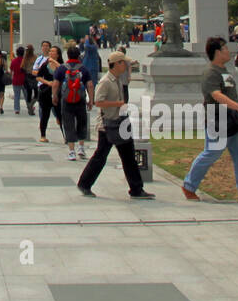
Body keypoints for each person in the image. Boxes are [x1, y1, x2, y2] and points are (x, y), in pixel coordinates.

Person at [181, 36, 238, 203]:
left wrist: (237, 110)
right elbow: (216, 95)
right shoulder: (210, 73)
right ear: (217, 52)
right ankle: (189, 185)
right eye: (225, 48)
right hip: (218, 118)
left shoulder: (224, 71)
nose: (228, 51)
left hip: (234, 120)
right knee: (212, 152)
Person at [77, 51, 154, 199]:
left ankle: (136, 189)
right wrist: (118, 104)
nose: (126, 65)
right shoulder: (106, 81)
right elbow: (98, 102)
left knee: (128, 155)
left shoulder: (118, 79)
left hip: (120, 122)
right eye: (123, 63)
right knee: (101, 156)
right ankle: (85, 184)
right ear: (117, 64)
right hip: (108, 125)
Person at [56, 45, 93, 161]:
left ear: (67, 56)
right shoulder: (83, 69)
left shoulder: (62, 68)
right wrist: (91, 100)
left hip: (66, 100)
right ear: (78, 56)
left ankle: (71, 151)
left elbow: (55, 84)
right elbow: (90, 85)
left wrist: (54, 96)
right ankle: (81, 148)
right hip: (80, 100)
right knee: (82, 122)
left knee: (68, 124)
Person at [35, 44, 61, 143]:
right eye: (50, 51)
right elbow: (38, 76)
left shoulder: (60, 64)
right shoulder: (45, 64)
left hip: (58, 92)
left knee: (60, 114)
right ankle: (43, 135)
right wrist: (48, 83)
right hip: (46, 91)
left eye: (53, 51)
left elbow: (64, 70)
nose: (50, 53)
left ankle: (65, 135)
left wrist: (54, 61)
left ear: (58, 54)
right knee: (45, 114)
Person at [20, 43, 38, 114]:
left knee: (32, 93)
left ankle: (30, 106)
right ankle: (30, 108)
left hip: (29, 76)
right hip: (31, 76)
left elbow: (21, 68)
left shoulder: (29, 57)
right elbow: (21, 68)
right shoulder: (26, 58)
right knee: (33, 93)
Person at [9, 45, 27, 114]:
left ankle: (17, 109)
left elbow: (11, 70)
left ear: (17, 53)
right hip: (24, 80)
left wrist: (11, 77)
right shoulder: (25, 61)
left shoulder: (14, 61)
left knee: (16, 95)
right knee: (26, 95)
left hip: (16, 80)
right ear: (23, 53)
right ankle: (29, 106)